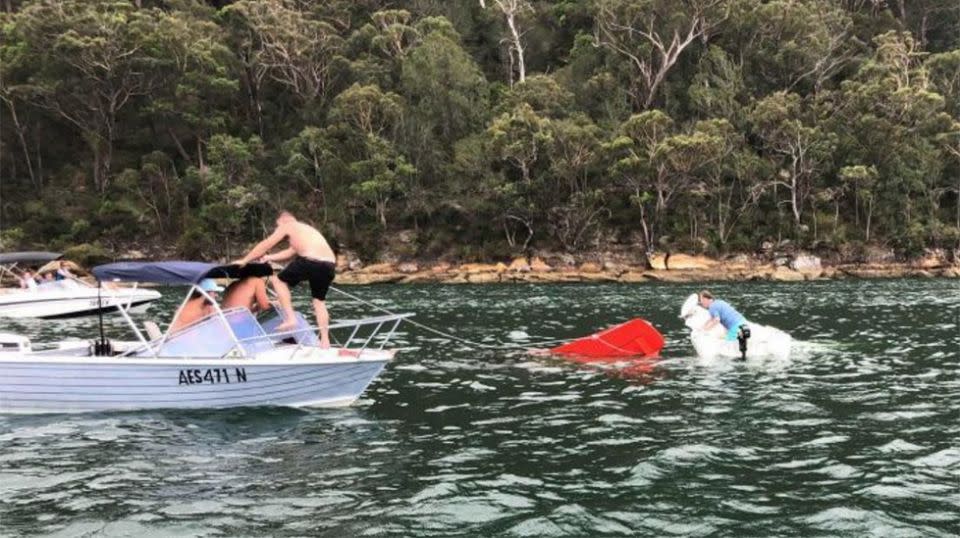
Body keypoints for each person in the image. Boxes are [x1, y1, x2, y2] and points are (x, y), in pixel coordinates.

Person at [233, 210, 336, 348]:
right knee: (319, 302)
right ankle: (325, 342)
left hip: (311, 261)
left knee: (278, 281)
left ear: (282, 221)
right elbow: (290, 252)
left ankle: (291, 319)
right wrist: (269, 258)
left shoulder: (287, 225)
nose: (278, 229)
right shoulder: (306, 230)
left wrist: (244, 260)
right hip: (329, 264)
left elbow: (266, 244)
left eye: (277, 225)